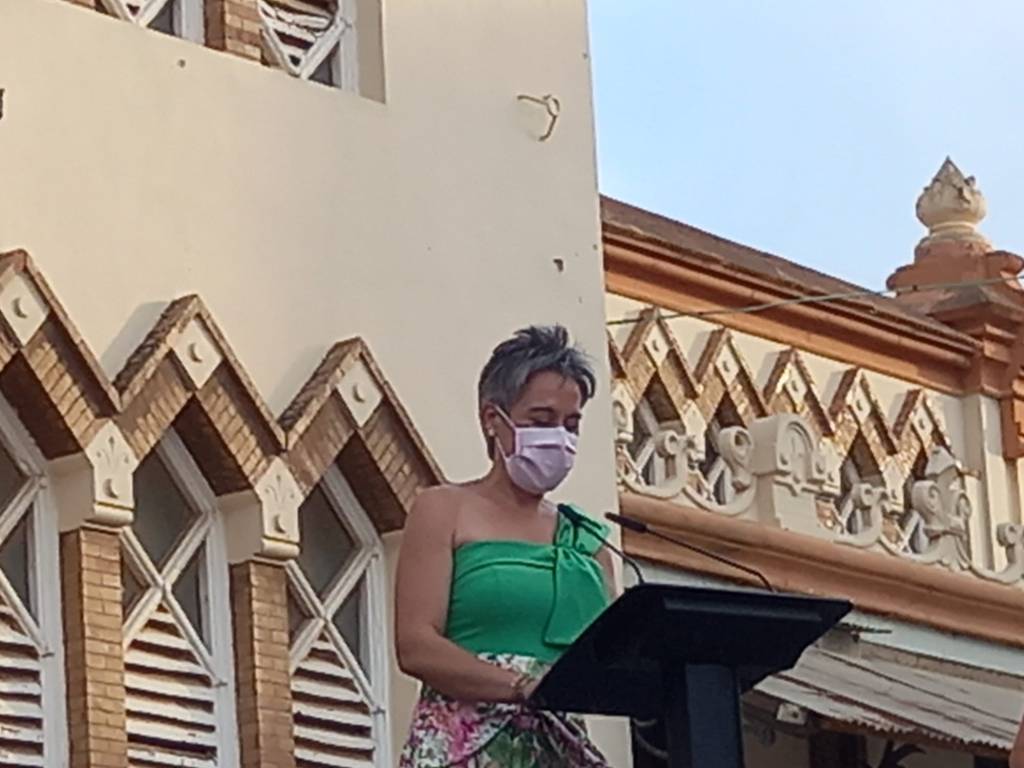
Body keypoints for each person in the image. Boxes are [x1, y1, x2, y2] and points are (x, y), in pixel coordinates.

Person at [395, 325, 616, 768]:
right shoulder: (445, 509)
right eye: (541, 420)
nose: (559, 437)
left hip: (558, 748)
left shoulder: (587, 541)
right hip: (464, 749)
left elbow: (616, 658)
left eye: (571, 424)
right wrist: (520, 686)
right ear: (493, 420)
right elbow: (416, 644)